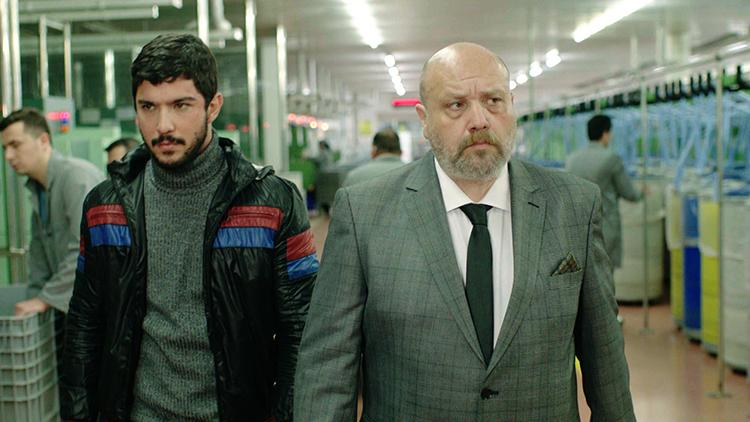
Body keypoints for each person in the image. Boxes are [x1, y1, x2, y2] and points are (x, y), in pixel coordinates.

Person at [295, 42, 635, 421]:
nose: (479, 120)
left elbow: (605, 359)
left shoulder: (573, 205)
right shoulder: (365, 213)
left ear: (512, 106)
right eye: (457, 105)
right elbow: (328, 366)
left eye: (493, 101)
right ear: (424, 120)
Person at [60, 34, 317, 422]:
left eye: (181, 105)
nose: (163, 125)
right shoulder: (105, 207)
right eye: (148, 107)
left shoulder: (271, 203)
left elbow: (302, 328)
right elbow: (84, 322)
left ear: (213, 106)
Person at [565, 114, 643, 272]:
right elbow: (629, 193)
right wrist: (642, 192)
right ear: (605, 134)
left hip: (577, 228)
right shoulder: (611, 159)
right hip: (604, 228)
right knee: (604, 276)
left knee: (582, 275)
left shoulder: (572, 160)